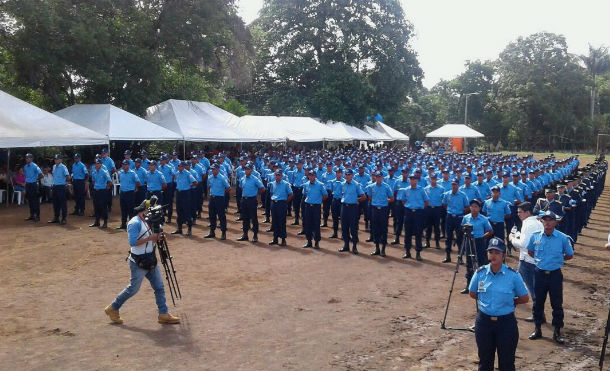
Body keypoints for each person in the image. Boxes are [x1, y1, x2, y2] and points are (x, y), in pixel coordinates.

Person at [105, 200, 180, 325]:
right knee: (133, 289)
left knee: (159, 287)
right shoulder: (134, 223)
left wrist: (158, 238)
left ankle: (163, 313)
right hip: (138, 262)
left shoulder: (147, 222)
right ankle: (113, 308)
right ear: (143, 210)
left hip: (150, 259)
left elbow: (151, 241)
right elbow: (133, 242)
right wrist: (151, 237)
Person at [469, 237, 529, 371]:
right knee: (484, 361)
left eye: (497, 252)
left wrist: (513, 302)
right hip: (484, 323)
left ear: (503, 255)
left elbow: (524, 298)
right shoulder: (480, 273)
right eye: (491, 252)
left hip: (506, 324)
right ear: (487, 254)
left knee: (507, 362)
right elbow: (472, 293)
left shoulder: (513, 275)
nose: (493, 255)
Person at [527, 210, 574, 344]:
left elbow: (570, 255)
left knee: (557, 303)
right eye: (545, 220)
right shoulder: (535, 236)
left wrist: (557, 261)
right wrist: (541, 261)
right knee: (538, 302)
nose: (547, 222)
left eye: (550, 220)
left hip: (554, 274)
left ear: (555, 222)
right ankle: (537, 329)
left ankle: (557, 331)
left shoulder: (562, 238)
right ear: (542, 222)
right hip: (539, 273)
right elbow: (531, 252)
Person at [508, 201, 543, 322]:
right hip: (535, 260)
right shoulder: (538, 222)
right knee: (533, 288)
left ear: (527, 212)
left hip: (527, 261)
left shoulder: (528, 224)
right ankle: (539, 314)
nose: (518, 214)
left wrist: (512, 239)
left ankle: (537, 315)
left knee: (521, 287)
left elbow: (523, 244)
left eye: (520, 212)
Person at [460, 199, 493, 294]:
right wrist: (465, 231)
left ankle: (481, 286)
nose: (474, 209)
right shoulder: (466, 218)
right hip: (469, 241)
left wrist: (482, 237)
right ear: (469, 208)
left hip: (479, 242)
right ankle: (469, 286)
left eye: (476, 207)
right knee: (469, 264)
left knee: (481, 264)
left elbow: (490, 231)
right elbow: (462, 228)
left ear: (479, 208)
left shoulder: (483, 219)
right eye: (472, 206)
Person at [397, 173, 429, 261]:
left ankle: (418, 253)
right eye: (410, 179)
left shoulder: (421, 190)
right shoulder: (406, 190)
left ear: (417, 180)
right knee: (407, 233)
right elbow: (403, 201)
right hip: (409, 212)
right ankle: (407, 251)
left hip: (418, 213)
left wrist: (419, 208)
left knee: (418, 233)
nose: (412, 180)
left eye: (414, 179)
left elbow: (426, 202)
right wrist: (410, 207)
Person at [338, 169, 366, 254]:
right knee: (344, 227)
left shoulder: (356, 185)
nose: (347, 176)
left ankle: (354, 246)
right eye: (346, 174)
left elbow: (364, 196)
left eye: (349, 174)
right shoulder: (342, 184)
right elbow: (341, 195)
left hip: (353, 208)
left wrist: (356, 200)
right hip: (344, 207)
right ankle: (346, 245)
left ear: (352, 175)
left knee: (353, 227)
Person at [441, 180, 469, 263]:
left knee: (459, 238)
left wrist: (459, 212)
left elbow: (467, 207)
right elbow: (444, 205)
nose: (454, 186)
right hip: (450, 217)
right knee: (448, 237)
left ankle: (460, 258)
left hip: (459, 218)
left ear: (458, 185)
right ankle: (448, 256)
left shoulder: (463, 195)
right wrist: (451, 211)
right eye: (452, 184)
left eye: (455, 184)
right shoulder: (447, 194)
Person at [367, 171, 394, 257]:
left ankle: (383, 249)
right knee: (375, 229)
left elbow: (392, 198)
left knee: (383, 229)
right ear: (375, 177)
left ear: (382, 177)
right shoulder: (371, 187)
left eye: (380, 176)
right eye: (377, 176)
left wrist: (384, 202)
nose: (378, 178)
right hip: (375, 209)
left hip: (383, 210)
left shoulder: (386, 186)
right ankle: (377, 248)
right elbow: (370, 197)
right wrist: (376, 202)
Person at [237, 164, 264, 242]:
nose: (246, 170)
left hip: (252, 200)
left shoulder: (255, 179)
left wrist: (256, 194)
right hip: (244, 200)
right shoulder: (242, 179)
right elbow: (241, 187)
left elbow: (262, 188)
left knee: (253, 218)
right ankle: (245, 234)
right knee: (245, 218)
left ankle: (255, 235)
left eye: (248, 169)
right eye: (245, 169)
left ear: (251, 170)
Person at [302, 170, 327, 249]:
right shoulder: (306, 184)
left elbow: (325, 195)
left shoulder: (320, 185)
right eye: (310, 175)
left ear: (315, 176)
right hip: (308, 206)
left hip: (316, 207)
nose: (311, 177)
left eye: (312, 175)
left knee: (316, 224)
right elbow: (305, 194)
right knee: (307, 224)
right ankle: (309, 241)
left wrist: (318, 201)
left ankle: (316, 242)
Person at [205, 163, 230, 240]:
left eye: (214, 169)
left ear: (218, 169)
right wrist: (210, 194)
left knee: (221, 216)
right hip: (212, 198)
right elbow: (209, 186)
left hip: (220, 198)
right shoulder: (210, 177)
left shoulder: (222, 178)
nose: (213, 170)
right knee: (212, 215)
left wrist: (221, 193)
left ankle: (223, 233)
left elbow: (228, 187)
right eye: (212, 169)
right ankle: (212, 232)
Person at [268, 170, 293, 246]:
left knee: (282, 222)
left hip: (282, 204)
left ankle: (283, 239)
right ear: (275, 175)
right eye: (276, 175)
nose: (277, 176)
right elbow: (272, 193)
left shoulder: (286, 184)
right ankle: (275, 239)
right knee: (274, 221)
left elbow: (291, 194)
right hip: (274, 203)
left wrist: (285, 202)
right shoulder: (272, 184)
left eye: (279, 175)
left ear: (282, 176)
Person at [172, 161, 197, 236]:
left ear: (184, 167)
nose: (179, 167)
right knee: (179, 211)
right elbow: (176, 181)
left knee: (187, 211)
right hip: (179, 193)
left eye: (181, 166)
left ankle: (189, 229)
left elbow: (195, 182)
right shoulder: (177, 173)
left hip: (186, 193)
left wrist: (188, 187)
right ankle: (179, 229)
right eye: (178, 166)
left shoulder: (187, 173)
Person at [117, 160, 140, 230]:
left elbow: (138, 182)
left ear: (129, 165)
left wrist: (135, 189)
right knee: (123, 209)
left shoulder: (133, 173)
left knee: (130, 210)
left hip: (130, 193)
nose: (124, 166)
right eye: (123, 165)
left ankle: (131, 225)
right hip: (122, 193)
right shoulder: (120, 173)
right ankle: (123, 224)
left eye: (126, 165)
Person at [89, 159, 112, 228]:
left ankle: (105, 222)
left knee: (103, 207)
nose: (97, 165)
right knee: (96, 206)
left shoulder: (104, 172)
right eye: (96, 163)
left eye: (98, 163)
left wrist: (106, 188)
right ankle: (97, 221)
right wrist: (96, 187)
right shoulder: (94, 172)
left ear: (101, 164)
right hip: (96, 191)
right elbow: (93, 181)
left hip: (102, 191)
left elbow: (110, 182)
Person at [49, 154, 70, 225]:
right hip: (55, 186)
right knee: (55, 203)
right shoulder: (54, 166)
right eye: (55, 159)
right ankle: (56, 217)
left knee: (63, 203)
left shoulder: (63, 167)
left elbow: (68, 176)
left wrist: (65, 183)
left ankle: (64, 218)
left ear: (60, 160)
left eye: (57, 159)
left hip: (61, 187)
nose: (56, 160)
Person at [23, 153, 43, 221]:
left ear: (31, 159)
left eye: (28, 158)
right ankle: (32, 215)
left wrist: (36, 179)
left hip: (33, 185)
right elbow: (26, 176)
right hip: (28, 185)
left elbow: (41, 175)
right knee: (30, 201)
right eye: (26, 158)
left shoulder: (35, 166)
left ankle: (37, 216)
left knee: (35, 201)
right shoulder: (25, 166)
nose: (27, 159)